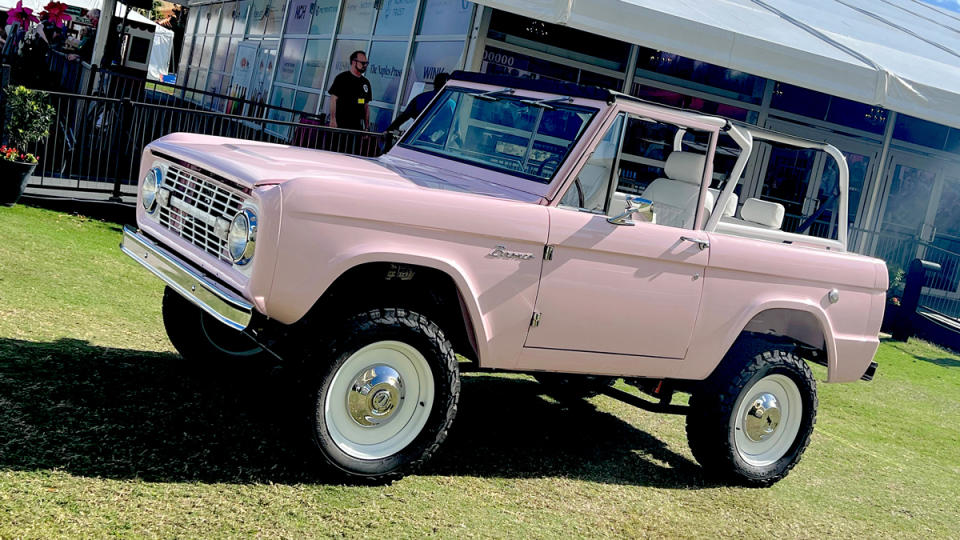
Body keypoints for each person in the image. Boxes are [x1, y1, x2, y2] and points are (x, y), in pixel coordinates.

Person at [327, 50, 371, 130]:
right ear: (354, 62)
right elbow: (333, 99)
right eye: (363, 63)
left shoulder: (365, 82)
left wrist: (367, 126)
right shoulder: (342, 78)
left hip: (357, 126)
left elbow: (366, 106)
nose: (365, 65)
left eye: (366, 63)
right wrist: (333, 119)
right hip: (340, 125)